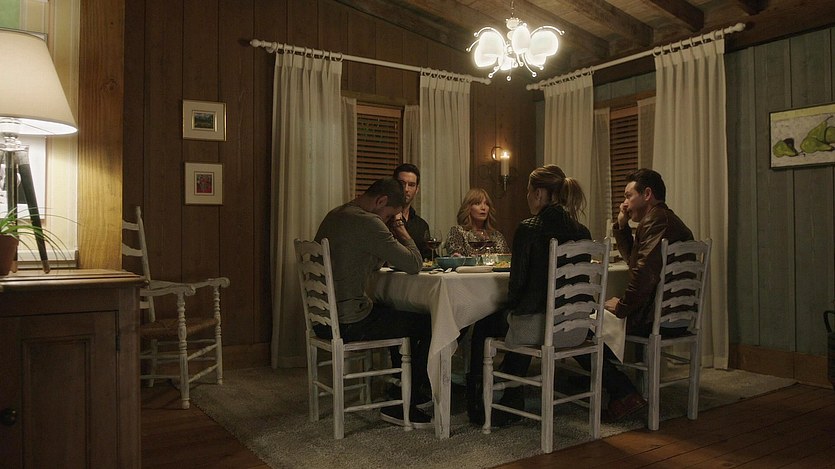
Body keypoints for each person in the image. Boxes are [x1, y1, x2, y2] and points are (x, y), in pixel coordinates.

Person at [466, 165, 591, 426]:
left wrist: (509, 308)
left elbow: (517, 288)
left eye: (528, 191)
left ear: (539, 193)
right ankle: (511, 396)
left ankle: (477, 401)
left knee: (485, 322)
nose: (527, 196)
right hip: (576, 328)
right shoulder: (583, 232)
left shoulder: (529, 228)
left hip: (540, 329)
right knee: (521, 316)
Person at [314, 177, 433, 428]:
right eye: (389, 215)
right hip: (349, 321)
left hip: (322, 320)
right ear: (381, 201)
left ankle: (400, 387)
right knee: (429, 323)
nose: (388, 220)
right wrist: (401, 229)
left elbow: (366, 260)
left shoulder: (335, 215)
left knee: (394, 313)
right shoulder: (369, 222)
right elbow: (414, 264)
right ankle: (407, 400)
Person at [583, 168, 695, 422]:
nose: (624, 203)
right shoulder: (663, 219)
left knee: (583, 327)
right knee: (595, 322)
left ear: (647, 194)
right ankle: (609, 383)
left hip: (657, 316)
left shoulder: (657, 220)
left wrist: (622, 306)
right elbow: (636, 263)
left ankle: (623, 394)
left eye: (628, 196)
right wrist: (622, 227)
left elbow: (644, 274)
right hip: (675, 314)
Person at [445, 188, 509, 257]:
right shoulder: (458, 232)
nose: (483, 208)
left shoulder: (496, 235)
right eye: (478, 203)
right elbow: (456, 258)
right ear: (468, 208)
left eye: (486, 204)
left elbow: (505, 259)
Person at [393, 163, 432, 260]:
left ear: (417, 189)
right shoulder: (382, 218)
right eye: (402, 183)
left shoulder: (421, 225)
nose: (406, 189)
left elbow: (428, 257)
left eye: (411, 185)